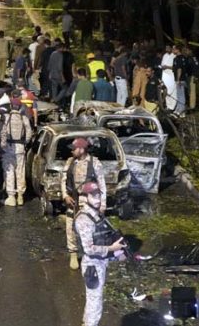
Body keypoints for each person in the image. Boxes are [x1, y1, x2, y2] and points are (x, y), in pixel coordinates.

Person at [74, 181, 127, 326]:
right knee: (95, 302)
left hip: (100, 262)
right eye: (93, 195)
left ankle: (86, 323)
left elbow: (103, 238)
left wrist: (118, 253)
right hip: (92, 265)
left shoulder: (96, 215)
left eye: (98, 195)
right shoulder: (84, 219)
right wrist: (112, 249)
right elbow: (89, 249)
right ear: (85, 197)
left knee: (93, 299)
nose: (97, 199)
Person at [61, 137, 106, 270]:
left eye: (74, 149)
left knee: (90, 229)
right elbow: (63, 180)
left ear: (81, 149)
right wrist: (65, 196)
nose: (72, 152)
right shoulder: (70, 162)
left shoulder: (95, 163)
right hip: (73, 200)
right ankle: (73, 254)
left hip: (89, 202)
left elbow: (102, 186)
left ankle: (89, 253)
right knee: (71, 228)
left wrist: (102, 205)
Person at [2, 98, 32, 206]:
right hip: (20, 148)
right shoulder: (24, 119)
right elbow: (29, 133)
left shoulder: (6, 118)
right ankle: (20, 195)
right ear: (20, 107)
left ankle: (11, 196)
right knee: (20, 171)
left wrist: (3, 145)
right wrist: (24, 143)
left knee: (9, 171)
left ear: (11, 106)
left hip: (8, 148)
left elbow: (3, 133)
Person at [160, 45, 177, 111]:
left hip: (171, 75)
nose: (167, 49)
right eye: (166, 48)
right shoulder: (165, 55)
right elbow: (162, 65)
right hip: (165, 75)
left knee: (172, 91)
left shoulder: (174, 56)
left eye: (168, 48)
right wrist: (163, 67)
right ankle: (168, 106)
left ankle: (173, 107)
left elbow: (175, 67)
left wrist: (167, 67)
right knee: (165, 90)